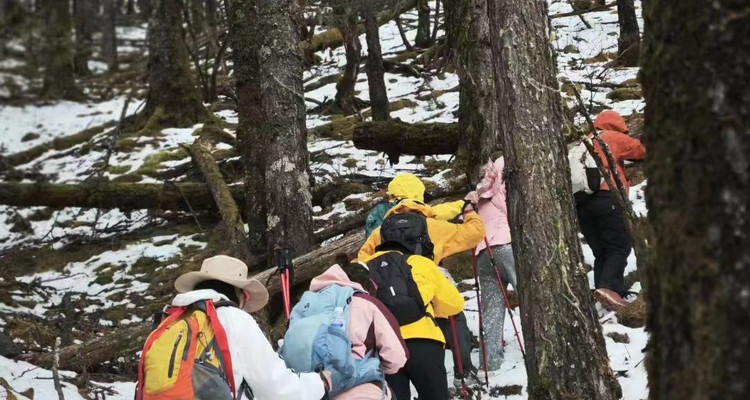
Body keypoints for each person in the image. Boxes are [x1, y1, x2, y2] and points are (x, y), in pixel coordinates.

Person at [138, 255, 332, 400]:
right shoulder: (233, 318)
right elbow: (274, 387)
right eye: (245, 297)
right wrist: (318, 384)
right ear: (238, 293)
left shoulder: (171, 320)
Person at [357, 247, 465, 400]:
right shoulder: (419, 262)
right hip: (425, 340)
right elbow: (455, 304)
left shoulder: (359, 268)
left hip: (383, 348)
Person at [287, 265, 409, 399]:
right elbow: (396, 356)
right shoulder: (364, 302)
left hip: (317, 390)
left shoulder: (302, 307)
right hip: (363, 389)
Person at [577, 110, 645, 310]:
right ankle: (611, 290)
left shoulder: (584, 142)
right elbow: (640, 149)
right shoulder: (609, 137)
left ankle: (603, 295)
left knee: (602, 252)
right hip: (607, 199)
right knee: (619, 247)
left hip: (582, 205)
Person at [465, 157, 517, 377]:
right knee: (534, 295)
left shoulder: (475, 197)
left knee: (492, 308)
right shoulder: (502, 187)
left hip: (483, 252)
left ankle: (490, 362)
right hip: (506, 244)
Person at [364, 173, 465, 239]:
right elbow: (437, 212)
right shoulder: (415, 209)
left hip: (381, 265)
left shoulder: (379, 210)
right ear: (417, 193)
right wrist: (462, 204)